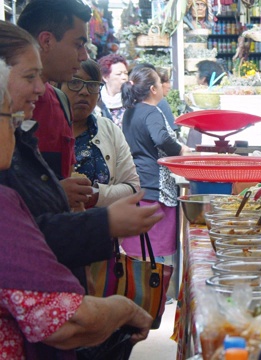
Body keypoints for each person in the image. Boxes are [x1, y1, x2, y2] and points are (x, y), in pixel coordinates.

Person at [0, 58, 154, 359]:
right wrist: (124, 308)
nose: (16, 129)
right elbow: (68, 320)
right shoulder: (4, 206)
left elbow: (132, 185)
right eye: (10, 117)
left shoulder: (107, 129)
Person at [0, 21, 162, 291]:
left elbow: (132, 186)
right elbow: (26, 237)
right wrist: (102, 221)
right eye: (31, 77)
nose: (40, 89)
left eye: (93, 86)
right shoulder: (37, 123)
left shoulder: (104, 129)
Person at [120, 66, 190, 262]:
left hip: (136, 182)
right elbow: (160, 139)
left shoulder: (130, 112)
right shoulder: (152, 112)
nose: (162, 87)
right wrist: (180, 150)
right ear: (152, 89)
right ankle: (156, 292)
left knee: (137, 254)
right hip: (154, 187)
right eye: (160, 83)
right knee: (153, 256)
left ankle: (138, 291)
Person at [17, 0, 91, 180]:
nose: (84, 56)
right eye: (78, 45)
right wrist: (55, 194)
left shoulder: (61, 101)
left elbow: (67, 172)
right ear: (47, 41)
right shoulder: (8, 101)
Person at [61, 59, 140, 207]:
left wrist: (96, 196)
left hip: (102, 226)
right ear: (57, 87)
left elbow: (132, 187)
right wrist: (57, 193)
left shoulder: (108, 130)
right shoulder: (43, 129)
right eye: (75, 82)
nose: (84, 92)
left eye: (92, 85)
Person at [97, 53, 129, 127]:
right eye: (119, 74)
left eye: (126, 73)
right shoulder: (97, 99)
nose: (124, 77)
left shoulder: (132, 99)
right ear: (105, 77)